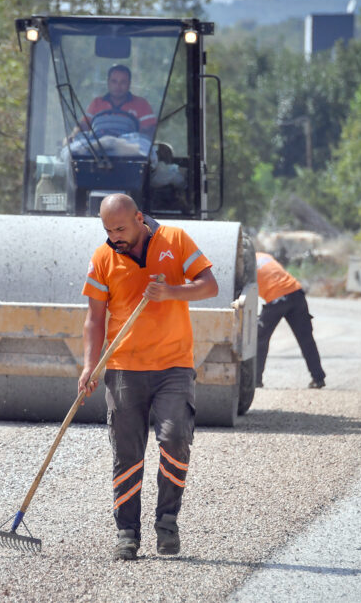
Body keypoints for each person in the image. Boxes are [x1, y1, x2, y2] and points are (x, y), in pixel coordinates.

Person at [78, 193, 218, 561]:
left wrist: (171, 291)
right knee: (126, 452)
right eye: (108, 229)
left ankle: (167, 523)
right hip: (124, 368)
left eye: (121, 228)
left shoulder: (175, 240)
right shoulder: (102, 258)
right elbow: (94, 319)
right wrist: (89, 366)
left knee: (174, 440)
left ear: (139, 217)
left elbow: (209, 285)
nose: (114, 236)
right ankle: (127, 533)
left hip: (173, 366)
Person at [254, 252, 325, 390]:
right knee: (306, 339)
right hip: (296, 292)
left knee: (260, 338)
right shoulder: (264, 255)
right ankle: (318, 378)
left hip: (277, 298)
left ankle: (256, 380)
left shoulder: (244, 263)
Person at [81, 65, 157, 139]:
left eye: (123, 82)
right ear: (108, 82)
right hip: (98, 148)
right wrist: (73, 136)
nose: (118, 86)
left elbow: (148, 133)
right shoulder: (96, 103)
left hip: (130, 149)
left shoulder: (142, 104)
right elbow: (83, 127)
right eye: (114, 81)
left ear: (129, 83)